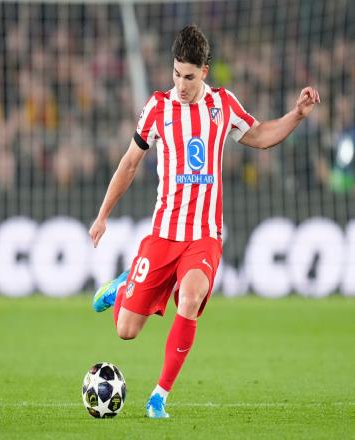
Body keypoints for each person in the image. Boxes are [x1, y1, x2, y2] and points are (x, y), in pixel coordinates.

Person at [89, 24, 320, 419]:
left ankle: (159, 396)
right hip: (164, 234)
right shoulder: (157, 108)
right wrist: (102, 215)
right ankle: (124, 286)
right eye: (177, 74)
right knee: (126, 331)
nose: (181, 85)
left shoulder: (223, 105)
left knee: (191, 297)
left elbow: (261, 135)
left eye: (189, 77)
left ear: (204, 72)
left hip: (204, 236)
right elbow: (129, 163)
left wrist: (297, 114)